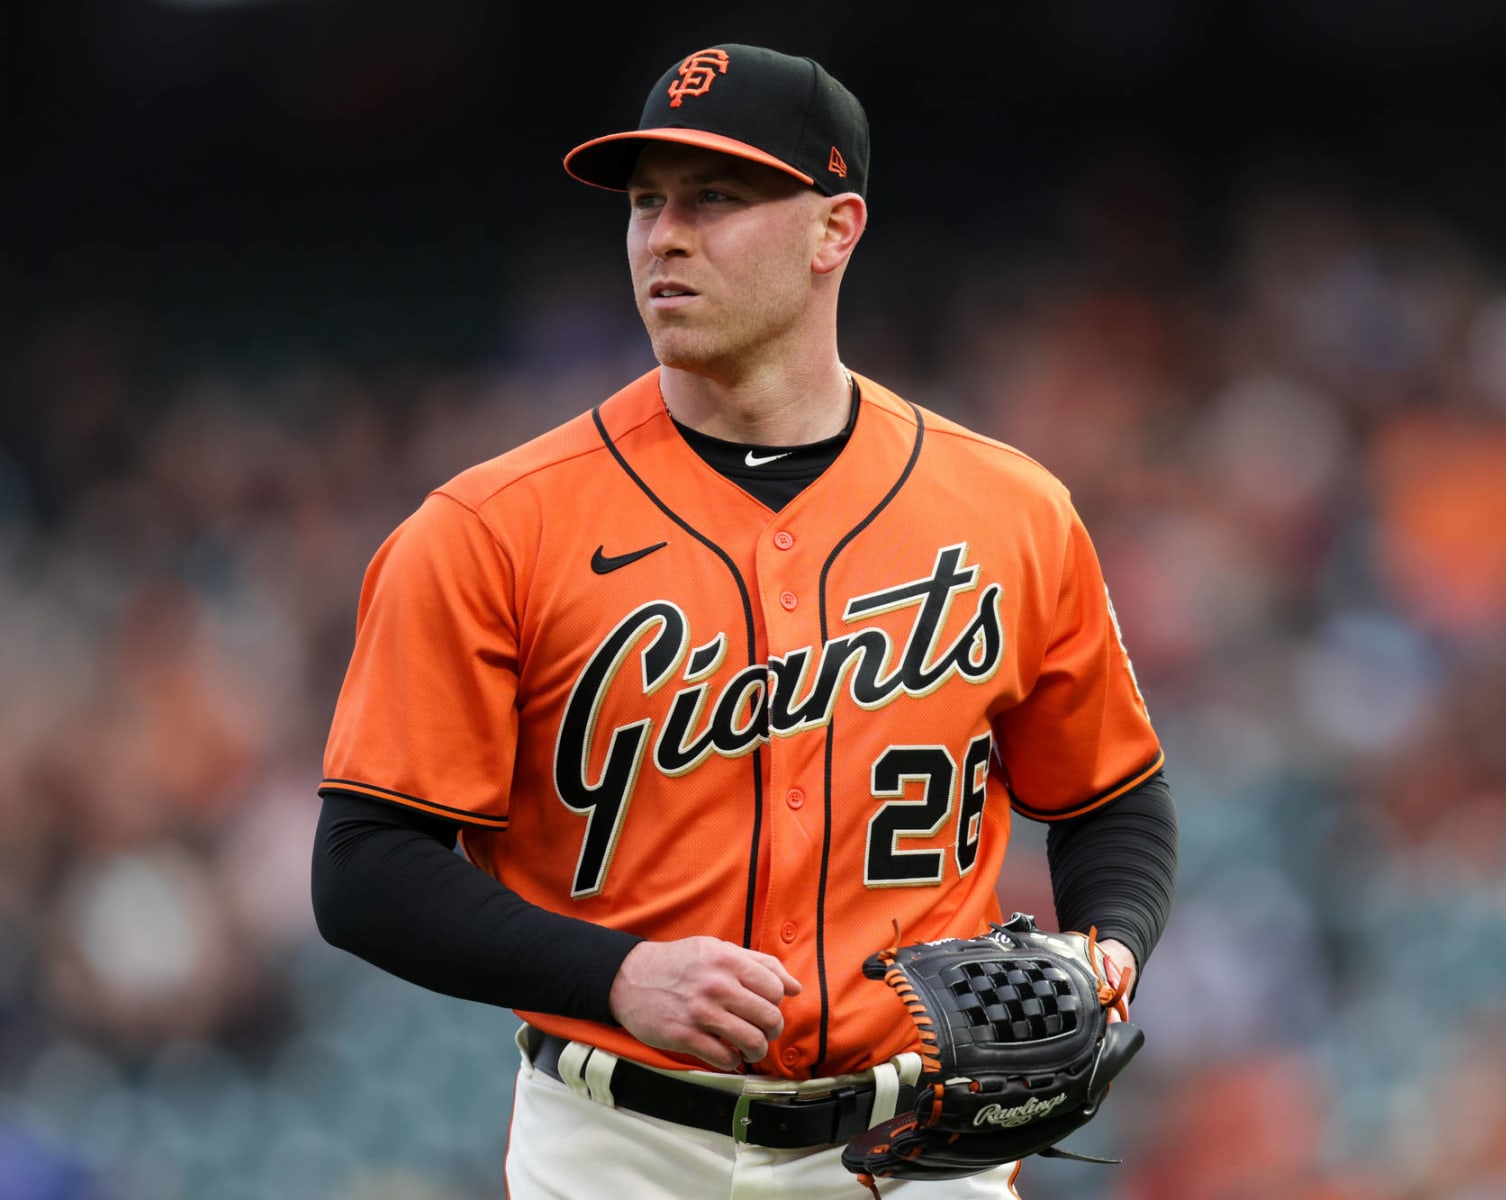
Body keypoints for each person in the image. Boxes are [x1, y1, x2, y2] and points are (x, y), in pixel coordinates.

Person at [311, 42, 1179, 1199]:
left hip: (916, 1157)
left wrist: (1107, 950)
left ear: (836, 230)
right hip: (619, 1145)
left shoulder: (1011, 512)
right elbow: (365, 865)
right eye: (643, 202)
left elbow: (1111, 800)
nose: (663, 235)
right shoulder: (486, 528)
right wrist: (614, 974)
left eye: (715, 197)